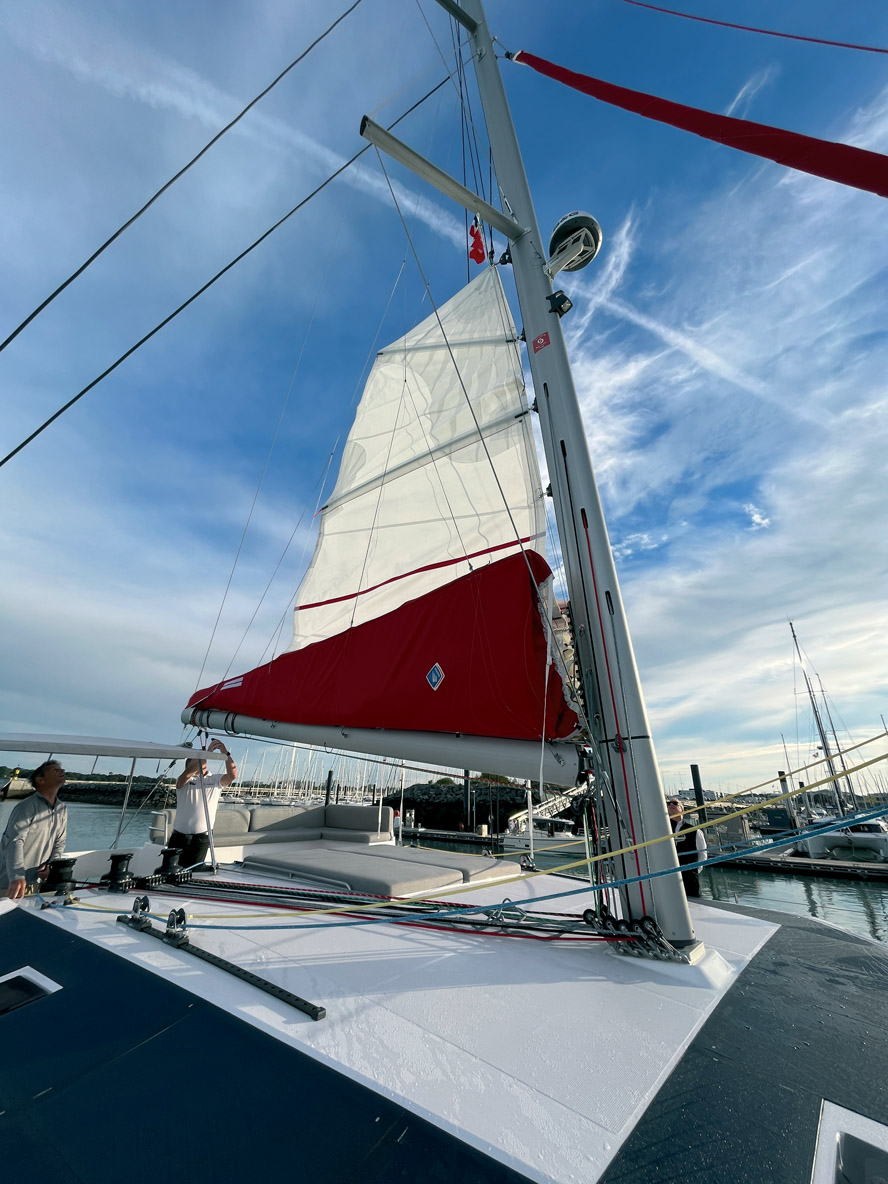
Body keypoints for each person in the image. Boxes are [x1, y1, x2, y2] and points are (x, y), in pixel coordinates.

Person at [0, 760, 68, 899]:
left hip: (35, 884)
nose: (62, 771)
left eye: (61, 769)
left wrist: (51, 865)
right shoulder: (26, 806)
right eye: (55, 770)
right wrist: (17, 876)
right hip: (10, 884)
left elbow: (59, 842)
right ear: (40, 780)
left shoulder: (62, 808)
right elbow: (14, 841)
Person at [169, 740, 237, 869]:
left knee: (194, 871)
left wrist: (225, 753)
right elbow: (191, 770)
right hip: (179, 837)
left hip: (201, 838)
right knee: (171, 870)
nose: (201, 760)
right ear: (188, 764)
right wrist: (208, 752)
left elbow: (232, 775)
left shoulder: (215, 780)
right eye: (197, 758)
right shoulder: (183, 780)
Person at [667, 798, 707, 898]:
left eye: (675, 803)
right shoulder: (661, 831)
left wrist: (693, 871)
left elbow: (702, 855)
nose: (671, 805)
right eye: (668, 803)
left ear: (682, 809)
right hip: (668, 877)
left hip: (689, 877)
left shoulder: (695, 831)